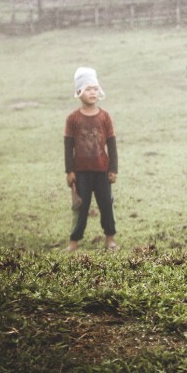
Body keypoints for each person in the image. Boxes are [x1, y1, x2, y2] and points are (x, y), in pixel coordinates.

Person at [64, 67, 118, 251]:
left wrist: (113, 169)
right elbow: (68, 146)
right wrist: (69, 171)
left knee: (106, 205)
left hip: (102, 170)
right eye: (88, 89)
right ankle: (74, 241)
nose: (92, 92)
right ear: (79, 91)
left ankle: (110, 238)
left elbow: (111, 144)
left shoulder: (104, 117)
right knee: (80, 207)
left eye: (95, 88)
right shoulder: (73, 119)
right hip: (81, 172)